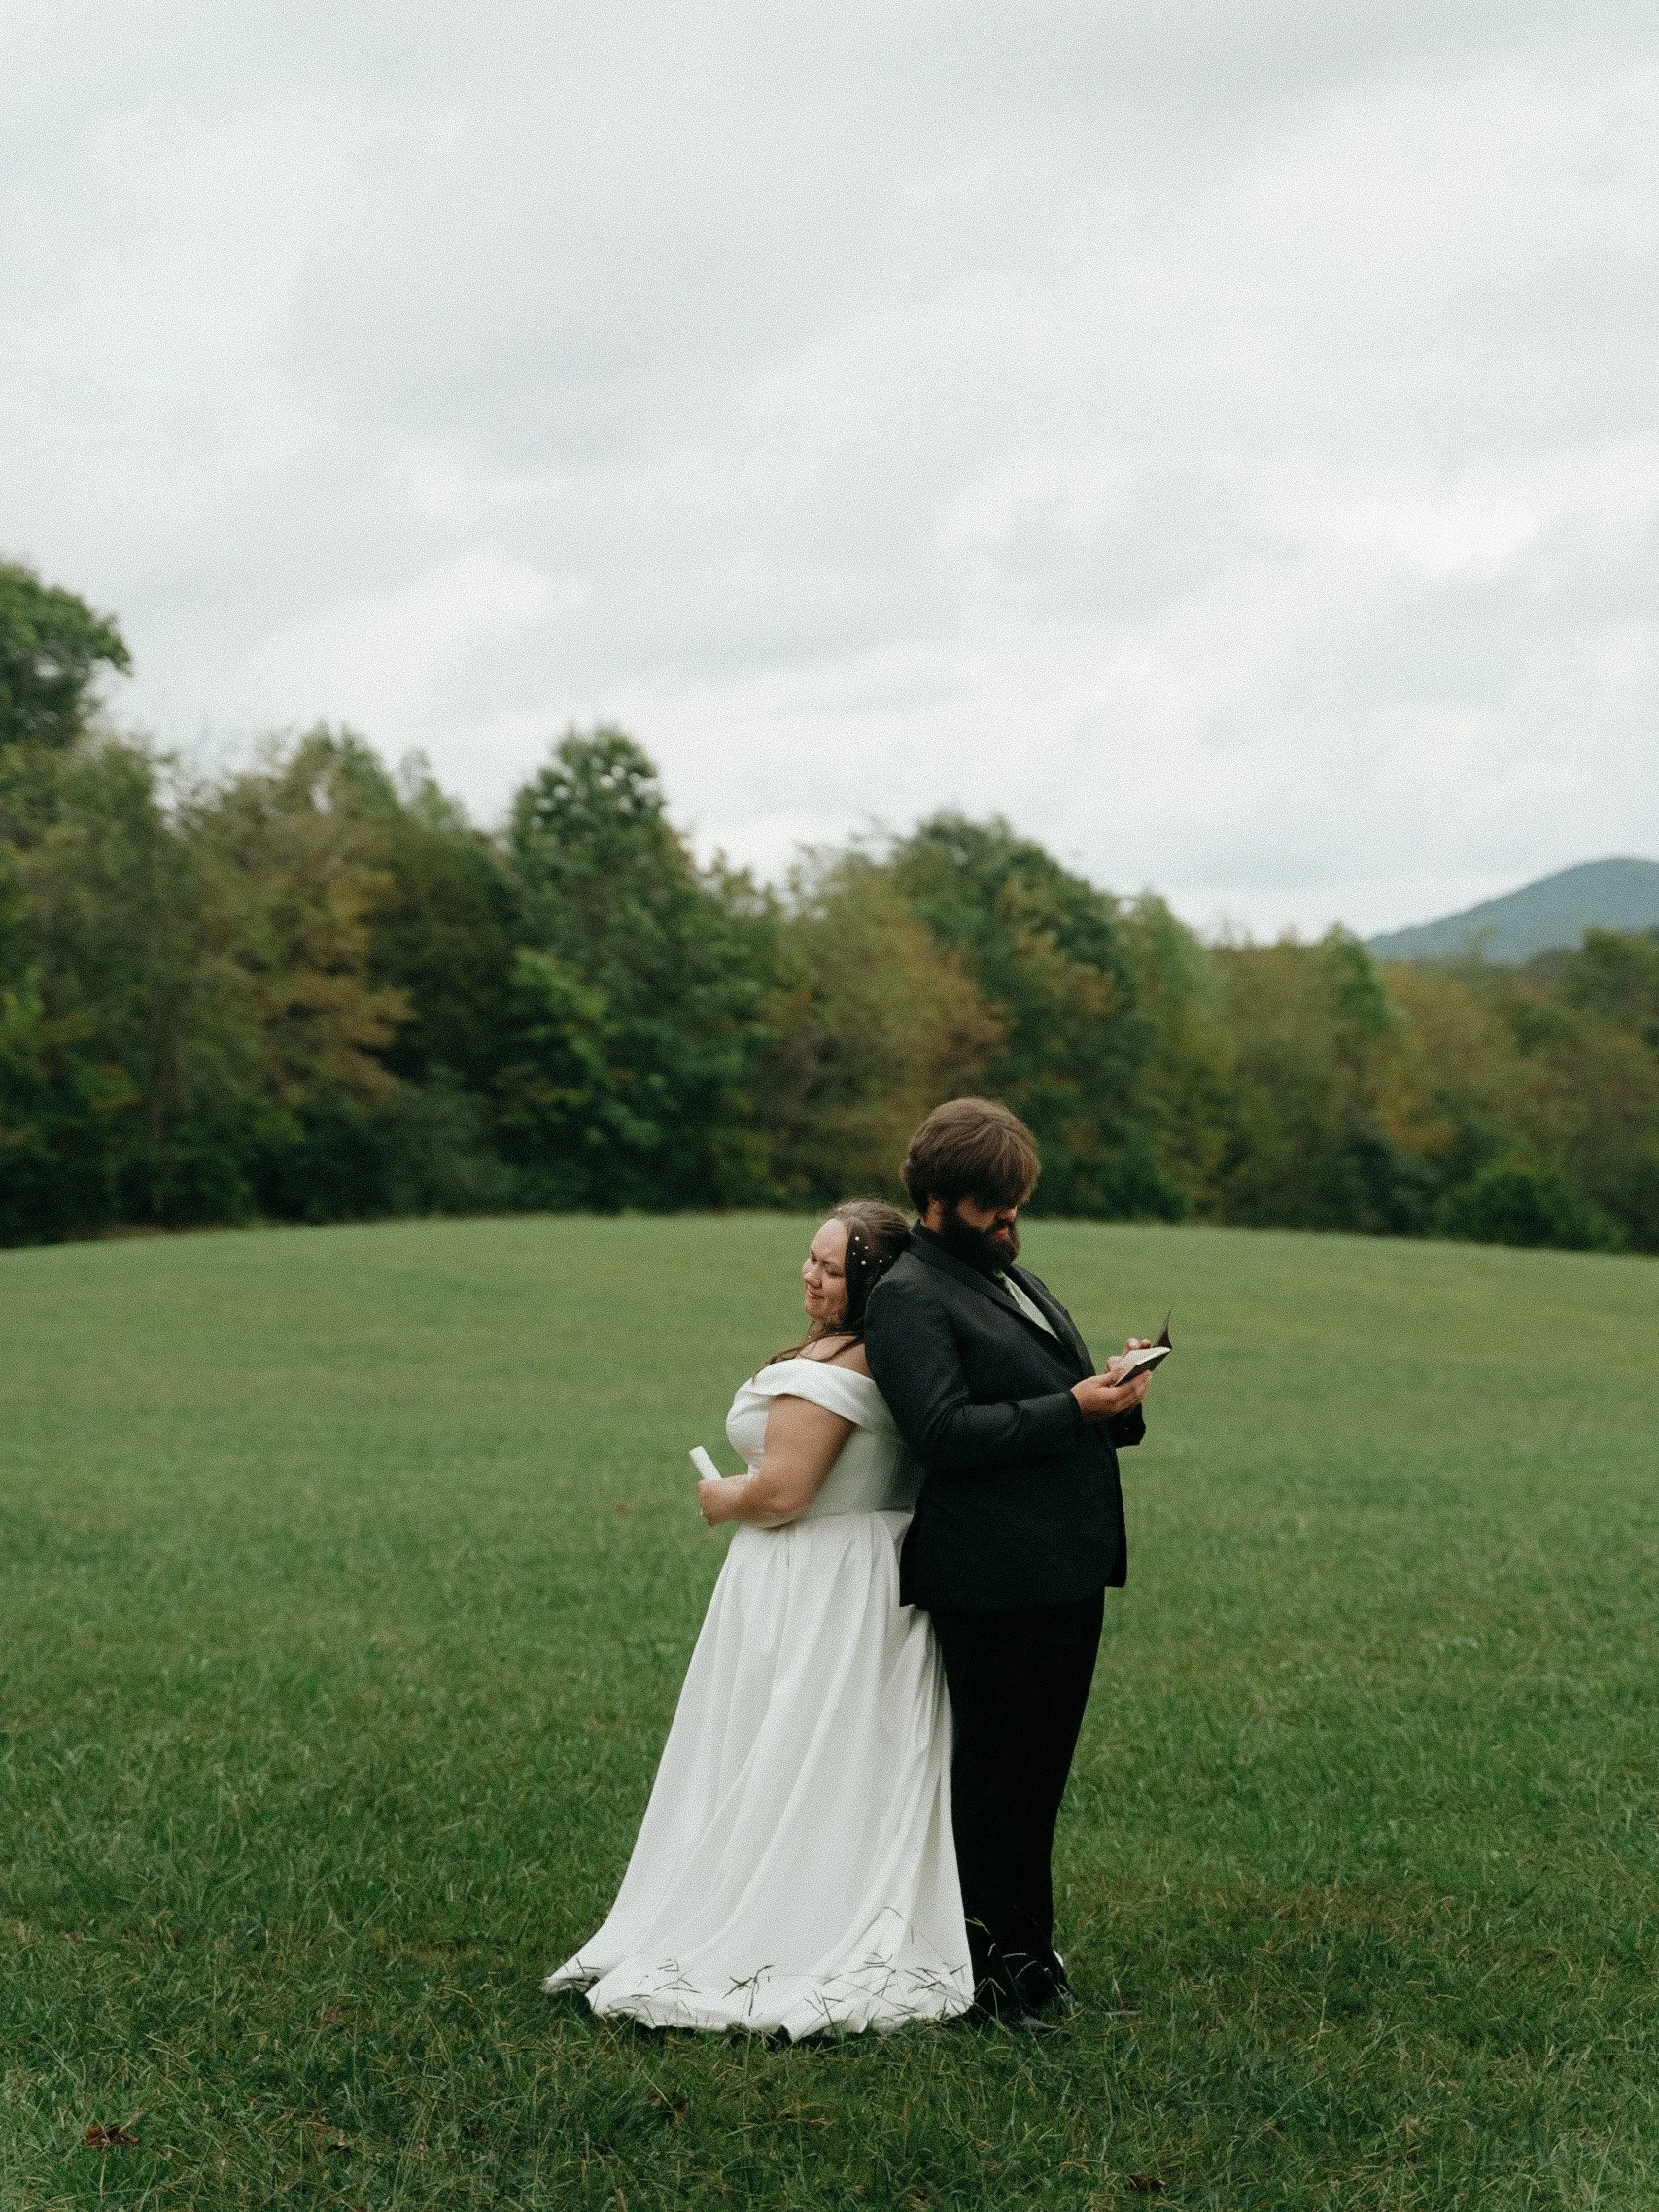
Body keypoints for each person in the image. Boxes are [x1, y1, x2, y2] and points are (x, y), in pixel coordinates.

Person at [544, 1200, 975, 2038]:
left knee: (797, 1740)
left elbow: (782, 1495)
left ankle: (783, 1921)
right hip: (869, 1571)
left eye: (828, 1266)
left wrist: (721, 1498)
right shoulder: (886, 1359)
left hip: (816, 1577)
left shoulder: (837, 1373)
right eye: (808, 1259)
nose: (808, 1275)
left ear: (870, 1280)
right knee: (845, 1743)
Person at [864, 1098, 1154, 2029]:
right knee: (996, 1784)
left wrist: (1116, 1396)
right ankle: (986, 1980)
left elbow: (1050, 1397)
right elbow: (942, 1432)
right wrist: (1074, 1407)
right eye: (995, 1206)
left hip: (1063, 1567)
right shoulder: (907, 1294)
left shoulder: (1008, 1280)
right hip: (990, 1577)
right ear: (940, 1198)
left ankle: (1035, 1969)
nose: (1010, 1222)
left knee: (1040, 1781)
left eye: (1016, 1204)